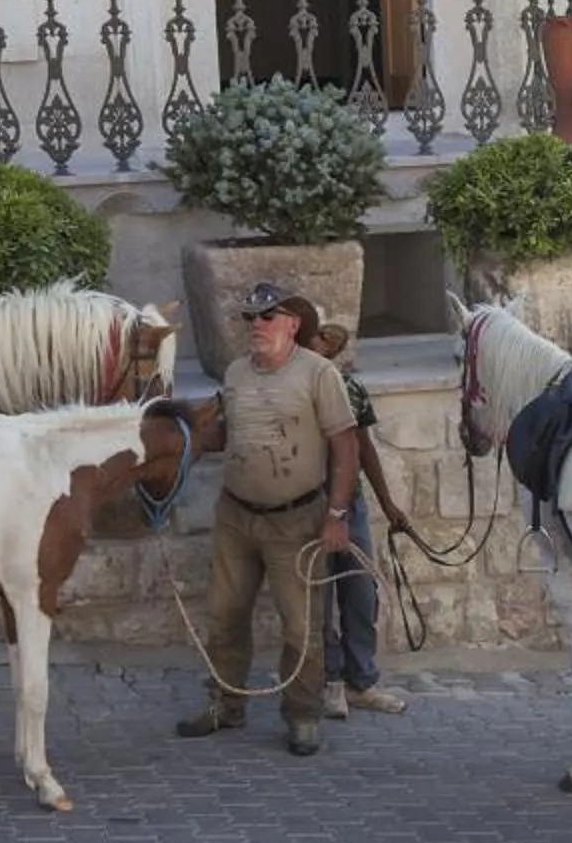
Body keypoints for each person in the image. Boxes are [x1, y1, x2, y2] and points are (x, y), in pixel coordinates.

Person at [176, 281, 360, 756]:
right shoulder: (236, 373)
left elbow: (346, 446)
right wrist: (176, 445)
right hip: (236, 515)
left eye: (267, 316)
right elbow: (224, 434)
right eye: (249, 317)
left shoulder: (318, 374)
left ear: (293, 323)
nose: (256, 325)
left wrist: (336, 515)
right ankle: (225, 704)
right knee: (224, 615)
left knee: (301, 626)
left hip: (296, 519)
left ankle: (302, 714)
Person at [309, 320, 412, 720]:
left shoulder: (349, 388)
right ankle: (330, 681)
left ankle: (362, 681)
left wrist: (388, 504)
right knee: (319, 596)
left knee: (361, 592)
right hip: (308, 503)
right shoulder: (295, 387)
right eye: (315, 337)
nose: (321, 344)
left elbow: (364, 448)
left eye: (326, 340)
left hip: (350, 504)